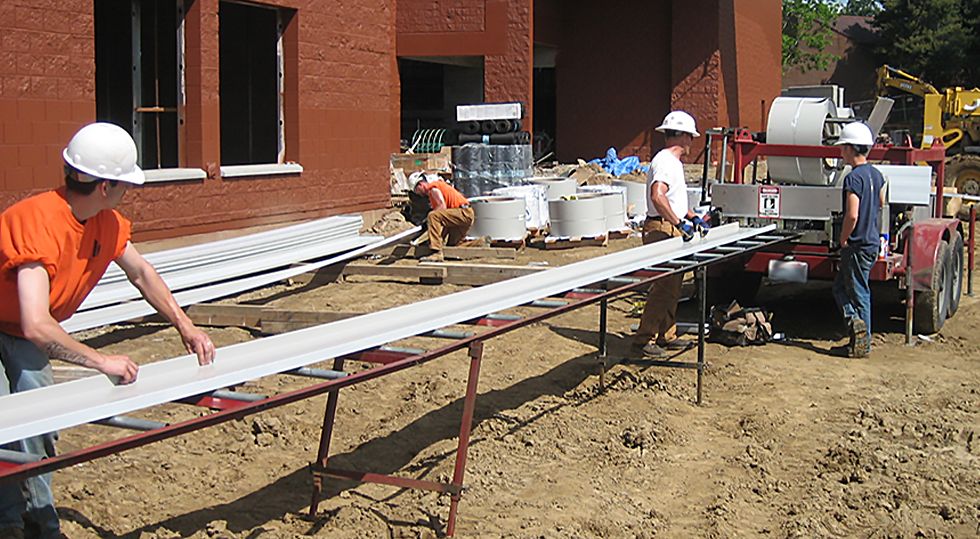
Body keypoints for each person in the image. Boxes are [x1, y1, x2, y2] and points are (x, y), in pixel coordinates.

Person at [0, 122, 216, 539]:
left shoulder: (107, 223)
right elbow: (36, 322)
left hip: (22, 331)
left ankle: (41, 524)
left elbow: (141, 273)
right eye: (124, 185)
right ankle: (9, 523)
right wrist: (102, 360)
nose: (127, 193)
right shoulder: (37, 222)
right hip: (16, 326)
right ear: (105, 186)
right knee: (3, 422)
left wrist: (185, 326)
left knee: (39, 422)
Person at [632, 111, 710, 359]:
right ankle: (644, 339)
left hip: (668, 226)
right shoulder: (666, 161)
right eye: (691, 137)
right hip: (661, 229)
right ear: (685, 137)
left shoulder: (671, 163)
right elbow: (658, 196)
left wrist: (691, 216)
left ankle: (667, 335)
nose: (691, 143)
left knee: (674, 285)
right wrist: (678, 222)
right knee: (665, 287)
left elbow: (672, 200)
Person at [831, 122, 885, 358]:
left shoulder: (853, 178)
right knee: (841, 287)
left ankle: (859, 331)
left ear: (852, 149)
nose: (841, 152)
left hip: (857, 244)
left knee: (859, 292)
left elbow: (852, 213)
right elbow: (881, 202)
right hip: (872, 242)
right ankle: (857, 337)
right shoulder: (876, 174)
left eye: (843, 148)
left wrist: (844, 238)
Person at [414, 174, 474, 262]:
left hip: (462, 212)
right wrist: (435, 239)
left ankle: (436, 253)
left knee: (432, 215)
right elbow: (444, 220)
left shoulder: (433, 187)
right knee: (453, 247)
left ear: (420, 184)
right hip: (464, 214)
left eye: (416, 190)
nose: (417, 193)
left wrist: (428, 222)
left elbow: (441, 206)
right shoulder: (440, 187)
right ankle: (481, 243)